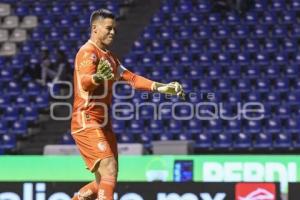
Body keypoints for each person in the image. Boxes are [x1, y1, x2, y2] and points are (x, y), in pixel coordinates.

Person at [71, 9, 185, 200]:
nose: (113, 33)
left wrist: (162, 88)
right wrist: (99, 76)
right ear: (95, 28)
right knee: (109, 169)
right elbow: (84, 82)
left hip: (103, 122)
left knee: (106, 179)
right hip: (86, 119)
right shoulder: (87, 52)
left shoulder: (110, 58)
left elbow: (131, 78)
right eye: (108, 28)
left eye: (114, 29)